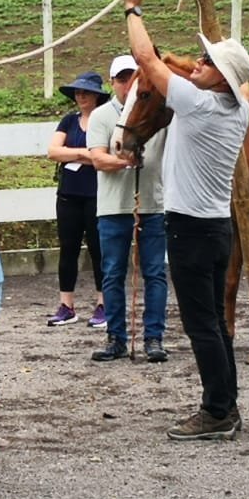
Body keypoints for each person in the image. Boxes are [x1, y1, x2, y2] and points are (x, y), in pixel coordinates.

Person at [121, 0, 249, 441]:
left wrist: (133, 6)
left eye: (209, 63)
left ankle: (217, 412)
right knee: (214, 321)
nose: (199, 63)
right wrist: (201, 2)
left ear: (222, 80)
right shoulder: (239, 110)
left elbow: (146, 59)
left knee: (203, 326)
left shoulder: (197, 105)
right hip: (217, 227)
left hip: (192, 230)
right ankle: (226, 405)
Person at [88, 55, 169, 363]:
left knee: (155, 272)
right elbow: (98, 158)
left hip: (151, 202)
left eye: (132, 79)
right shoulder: (101, 116)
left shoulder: (155, 112)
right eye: (121, 79)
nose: (127, 85)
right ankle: (116, 337)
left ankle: (153, 337)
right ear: (112, 83)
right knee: (112, 273)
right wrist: (125, 160)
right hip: (112, 206)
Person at [46, 70, 107, 329]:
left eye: (86, 92)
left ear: (96, 96)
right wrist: (84, 153)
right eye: (78, 92)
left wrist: (73, 155)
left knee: (98, 250)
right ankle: (66, 305)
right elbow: (53, 151)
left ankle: (103, 304)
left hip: (97, 194)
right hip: (69, 194)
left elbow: (106, 153)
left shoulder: (105, 120)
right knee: (67, 248)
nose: (81, 96)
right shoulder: (68, 121)